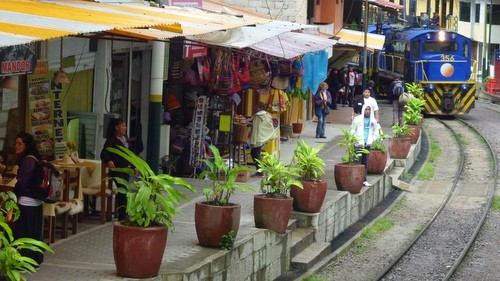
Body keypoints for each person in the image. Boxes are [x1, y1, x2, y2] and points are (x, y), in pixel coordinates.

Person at [12, 132, 45, 265]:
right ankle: (34, 260)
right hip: (36, 202)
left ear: (27, 145)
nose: (16, 146)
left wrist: (14, 193)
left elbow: (22, 182)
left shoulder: (28, 161)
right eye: (16, 143)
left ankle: (24, 261)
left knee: (23, 233)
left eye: (20, 143)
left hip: (27, 202)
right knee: (34, 233)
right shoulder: (35, 159)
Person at [100, 118, 136, 221]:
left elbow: (132, 154)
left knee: (126, 189)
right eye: (123, 125)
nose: (125, 128)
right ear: (116, 127)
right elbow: (104, 153)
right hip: (117, 169)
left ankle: (124, 212)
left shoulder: (125, 139)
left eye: (125, 125)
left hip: (126, 169)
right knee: (122, 189)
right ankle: (122, 215)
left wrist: (134, 166)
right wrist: (109, 160)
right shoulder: (112, 140)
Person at [351, 105, 379, 187]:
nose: (367, 111)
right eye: (366, 109)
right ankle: (356, 179)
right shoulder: (357, 119)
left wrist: (372, 139)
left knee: (365, 162)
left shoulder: (373, 120)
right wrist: (355, 140)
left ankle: (364, 180)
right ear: (363, 110)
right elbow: (352, 130)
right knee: (358, 162)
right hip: (358, 144)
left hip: (367, 144)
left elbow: (376, 131)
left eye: (369, 109)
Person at [249, 102, 275, 177]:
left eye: (256, 107)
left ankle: (260, 172)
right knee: (256, 153)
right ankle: (260, 171)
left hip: (257, 138)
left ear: (259, 108)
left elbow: (255, 127)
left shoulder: (258, 116)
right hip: (262, 137)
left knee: (255, 153)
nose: (255, 109)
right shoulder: (267, 115)